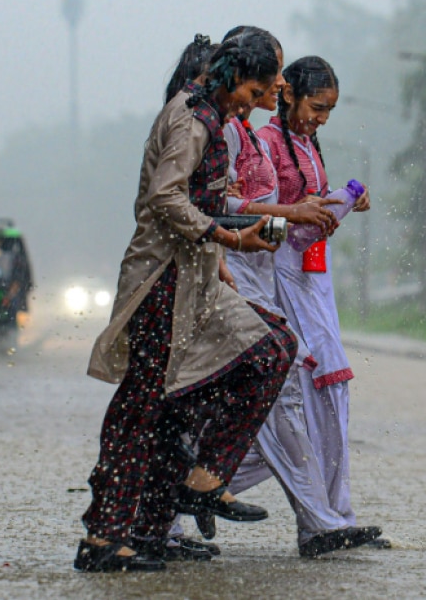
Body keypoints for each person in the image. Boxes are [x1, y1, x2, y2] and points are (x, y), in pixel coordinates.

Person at [74, 30, 297, 573]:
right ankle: (106, 537)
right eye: (256, 88)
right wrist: (228, 240)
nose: (259, 99)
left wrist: (228, 245)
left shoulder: (215, 118)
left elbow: (204, 198)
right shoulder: (193, 118)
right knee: (144, 409)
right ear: (231, 76)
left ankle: (188, 494)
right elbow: (164, 197)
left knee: (267, 351)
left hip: (195, 279)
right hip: (161, 285)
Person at [256, 55, 385, 556]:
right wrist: (296, 219)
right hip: (278, 283)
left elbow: (305, 218)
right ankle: (321, 520)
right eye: (316, 106)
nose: (321, 118)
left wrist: (337, 204)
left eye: (329, 110)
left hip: (313, 283)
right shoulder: (264, 147)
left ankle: (334, 516)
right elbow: (253, 225)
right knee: (286, 407)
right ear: (286, 94)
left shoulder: (308, 145)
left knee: (330, 399)